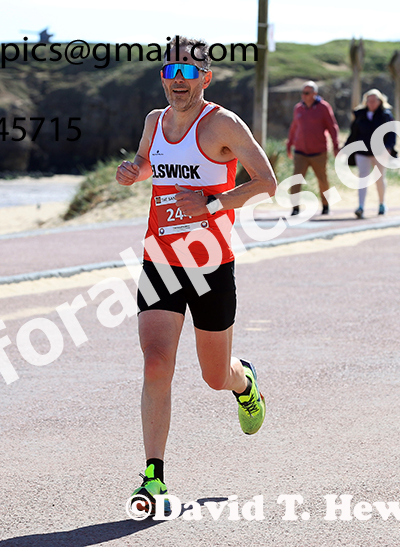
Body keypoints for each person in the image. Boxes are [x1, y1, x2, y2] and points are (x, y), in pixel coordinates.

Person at [115, 36, 277, 514]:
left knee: (213, 376)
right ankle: (153, 478)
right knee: (155, 361)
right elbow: (150, 163)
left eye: (188, 73)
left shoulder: (222, 123)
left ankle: (244, 383)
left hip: (210, 261)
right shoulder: (154, 121)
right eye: (170, 73)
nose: (177, 82)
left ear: (205, 77)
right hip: (159, 257)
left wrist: (211, 202)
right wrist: (134, 170)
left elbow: (266, 182)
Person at [286, 81, 340, 216]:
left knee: (322, 179)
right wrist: (289, 143)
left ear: (315, 94)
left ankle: (326, 205)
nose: (303, 96)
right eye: (303, 93)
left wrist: (335, 145)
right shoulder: (298, 108)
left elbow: (332, 127)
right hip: (300, 151)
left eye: (307, 93)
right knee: (296, 180)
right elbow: (294, 127)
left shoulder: (324, 108)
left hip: (319, 152)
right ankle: (295, 208)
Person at [347, 89, 395, 218]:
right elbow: (353, 133)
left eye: (374, 101)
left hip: (380, 152)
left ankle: (381, 204)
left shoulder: (386, 115)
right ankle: (361, 206)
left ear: (380, 101)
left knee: (379, 179)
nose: (372, 103)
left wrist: (389, 147)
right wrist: (346, 148)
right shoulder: (359, 115)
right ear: (366, 101)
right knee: (362, 178)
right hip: (362, 151)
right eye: (370, 101)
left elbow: (391, 133)